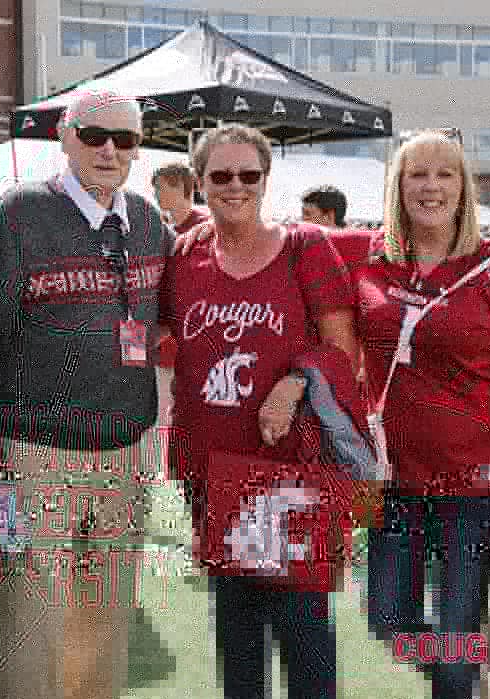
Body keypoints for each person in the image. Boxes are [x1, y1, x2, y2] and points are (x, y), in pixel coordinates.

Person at [329, 129, 490, 699]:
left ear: (463, 187)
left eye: (444, 174)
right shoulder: (372, 260)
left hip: (475, 486)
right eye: (416, 174)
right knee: (390, 623)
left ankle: (463, 682)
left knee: (454, 649)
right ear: (398, 187)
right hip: (392, 481)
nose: (430, 186)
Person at [0, 89, 172, 699]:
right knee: (28, 626)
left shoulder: (147, 219)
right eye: (94, 136)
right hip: (36, 453)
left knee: (104, 629)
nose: (110, 151)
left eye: (126, 139)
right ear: (64, 135)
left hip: (124, 450)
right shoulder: (18, 213)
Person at [159, 125, 364, 699]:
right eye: (220, 176)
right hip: (215, 472)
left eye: (249, 175)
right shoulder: (186, 256)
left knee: (304, 634)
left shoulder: (304, 247)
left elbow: (342, 351)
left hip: (292, 474)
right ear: (199, 183)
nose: (235, 186)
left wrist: (296, 381)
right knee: (239, 640)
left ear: (266, 180)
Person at [151, 160, 212, 421]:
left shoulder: (208, 229)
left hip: (190, 349)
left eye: (160, 189)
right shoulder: (157, 229)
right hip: (158, 347)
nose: (155, 196)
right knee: (159, 419)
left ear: (180, 188)